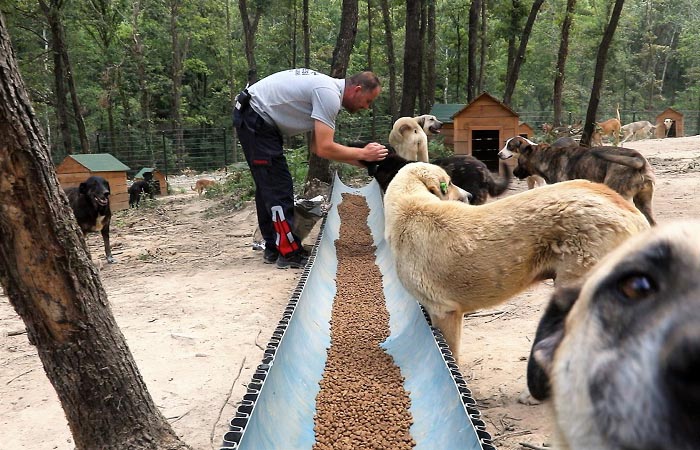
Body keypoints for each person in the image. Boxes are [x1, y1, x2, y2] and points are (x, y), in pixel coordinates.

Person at [233, 68, 388, 269]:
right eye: (368, 101)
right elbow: (323, 147)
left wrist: (355, 160)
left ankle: (274, 248)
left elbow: (317, 147)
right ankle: (289, 254)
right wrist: (362, 154)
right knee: (278, 188)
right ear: (357, 90)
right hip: (256, 118)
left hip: (255, 117)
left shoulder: (328, 90)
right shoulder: (329, 95)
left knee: (269, 185)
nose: (367, 107)